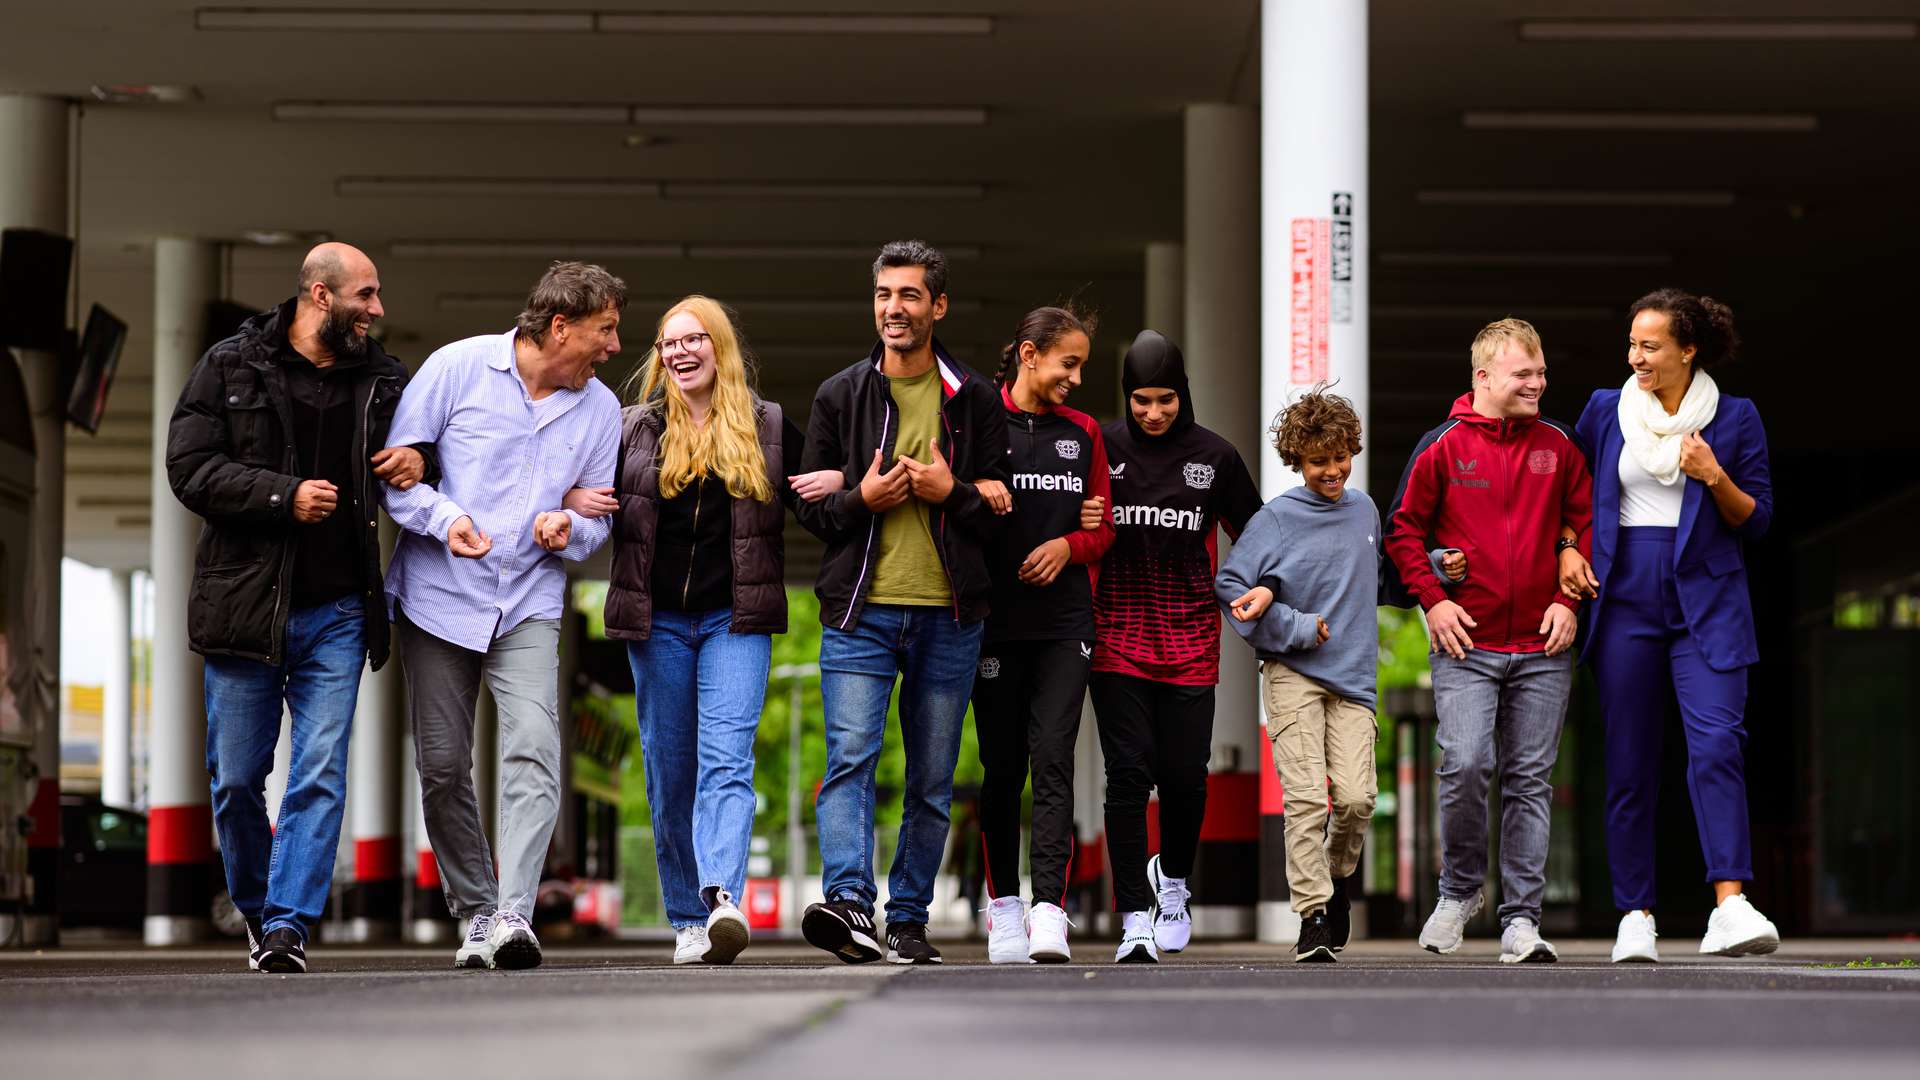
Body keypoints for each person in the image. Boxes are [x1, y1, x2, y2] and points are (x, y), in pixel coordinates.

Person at [165, 242, 429, 973]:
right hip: (246, 609)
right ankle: (256, 907)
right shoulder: (231, 364)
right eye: (366, 295)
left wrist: (422, 459)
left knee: (318, 770)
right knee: (236, 778)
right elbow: (188, 469)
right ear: (321, 295)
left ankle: (287, 925)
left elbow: (433, 451)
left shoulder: (384, 381)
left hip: (341, 609)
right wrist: (284, 496)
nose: (377, 310)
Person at [569, 295, 839, 965]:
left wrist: (847, 486)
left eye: (694, 339)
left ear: (720, 348)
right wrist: (571, 501)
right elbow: (579, 491)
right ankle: (687, 916)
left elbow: (826, 514)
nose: (681, 351)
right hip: (656, 623)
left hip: (734, 621)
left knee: (727, 759)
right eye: (669, 342)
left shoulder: (769, 426)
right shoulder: (631, 429)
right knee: (670, 771)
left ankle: (721, 897)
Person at [382, 261, 624, 971]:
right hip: (437, 598)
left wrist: (566, 530)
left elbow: (597, 516)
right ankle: (478, 909)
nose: (613, 346)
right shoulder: (455, 370)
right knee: (442, 764)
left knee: (533, 748)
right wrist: (446, 517)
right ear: (559, 327)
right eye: (604, 330)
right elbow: (400, 478)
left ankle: (515, 911)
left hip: (528, 601)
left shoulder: (600, 410)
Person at [796, 240, 1011, 965]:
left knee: (931, 776)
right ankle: (852, 905)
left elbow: (998, 511)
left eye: (910, 295)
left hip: (950, 616)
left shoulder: (976, 398)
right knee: (850, 758)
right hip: (861, 611)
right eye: (885, 294)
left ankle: (909, 917)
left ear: (937, 306)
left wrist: (951, 492)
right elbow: (813, 513)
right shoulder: (839, 395)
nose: (895, 307)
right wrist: (867, 497)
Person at [1562, 289, 1779, 961]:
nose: (1637, 357)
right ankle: (1636, 914)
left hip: (1706, 605)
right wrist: (1567, 548)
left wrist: (1714, 476)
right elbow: (1567, 493)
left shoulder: (1736, 419)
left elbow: (1758, 518)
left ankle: (1731, 906)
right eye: (1632, 344)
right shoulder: (1604, 411)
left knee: (1718, 746)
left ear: (1689, 350)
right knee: (1629, 761)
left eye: (1650, 346)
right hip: (1624, 595)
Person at [1215, 385, 1464, 962]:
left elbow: (1375, 580)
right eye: (1318, 461)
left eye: (1340, 457)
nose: (1332, 470)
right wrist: (1297, 627)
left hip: (1352, 678)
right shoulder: (1275, 520)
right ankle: (1312, 916)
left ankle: (1336, 879)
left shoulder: (1365, 511)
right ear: (1298, 461)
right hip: (1292, 671)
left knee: (1355, 801)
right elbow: (1232, 588)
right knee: (1306, 800)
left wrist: (1434, 568)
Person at [1385, 316, 1593, 963]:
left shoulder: (1560, 446)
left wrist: (1568, 599)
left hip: (1543, 645)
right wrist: (1435, 600)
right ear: (1483, 377)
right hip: (1466, 646)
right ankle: (1460, 890)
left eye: (1541, 374)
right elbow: (1402, 532)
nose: (1538, 384)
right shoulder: (1443, 446)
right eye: (1523, 374)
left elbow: (1585, 525)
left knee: (1531, 781)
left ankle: (1522, 921)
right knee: (1467, 763)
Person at [1092, 330, 1263, 964]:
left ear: (1182, 394)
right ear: (1127, 397)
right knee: (1128, 777)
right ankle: (1135, 915)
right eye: (1141, 401)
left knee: (1187, 779)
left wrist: (1259, 587)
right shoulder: (1099, 445)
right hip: (1117, 637)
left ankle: (1174, 886)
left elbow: (1258, 529)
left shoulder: (1214, 456)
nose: (1154, 413)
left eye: (1165, 399)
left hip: (1191, 637)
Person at [974, 305, 1114, 964]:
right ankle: (1004, 910)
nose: (1077, 378)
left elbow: (1104, 528)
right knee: (1001, 770)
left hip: (1064, 625)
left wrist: (1068, 544)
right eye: (1069, 363)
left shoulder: (1084, 433)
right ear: (1030, 355)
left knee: (1053, 759)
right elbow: (953, 502)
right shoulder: (979, 423)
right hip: (994, 625)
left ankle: (1050, 911)